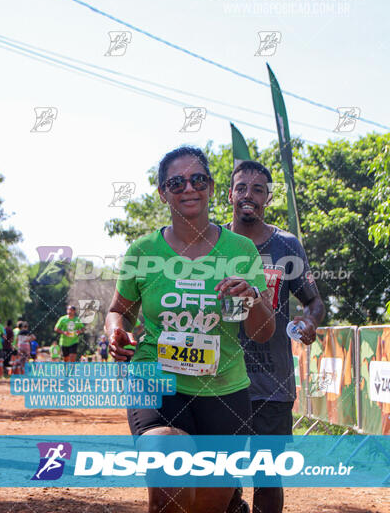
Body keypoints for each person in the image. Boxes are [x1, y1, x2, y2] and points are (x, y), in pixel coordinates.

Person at [105, 146, 275, 513]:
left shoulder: (240, 250)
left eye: (198, 179)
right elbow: (118, 311)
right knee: (171, 457)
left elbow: (262, 332)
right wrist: (116, 331)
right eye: (176, 182)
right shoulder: (143, 251)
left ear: (212, 188)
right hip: (157, 380)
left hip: (225, 389)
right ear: (163, 192)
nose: (188, 188)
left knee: (207, 505)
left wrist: (253, 298)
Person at [225, 160, 325, 513]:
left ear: (268, 198)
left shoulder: (286, 245)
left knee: (267, 476)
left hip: (272, 381)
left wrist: (309, 321)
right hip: (219, 380)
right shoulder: (213, 242)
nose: (248, 195)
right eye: (241, 188)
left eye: (257, 190)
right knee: (222, 477)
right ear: (230, 194)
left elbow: (314, 301)